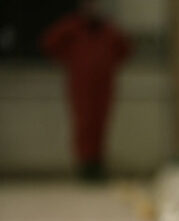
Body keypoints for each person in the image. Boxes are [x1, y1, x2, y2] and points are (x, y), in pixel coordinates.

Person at [42, 1, 131, 181]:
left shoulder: (109, 30)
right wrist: (68, 60)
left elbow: (125, 49)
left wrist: (109, 64)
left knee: (100, 123)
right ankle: (85, 166)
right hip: (81, 84)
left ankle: (97, 164)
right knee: (84, 122)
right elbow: (50, 43)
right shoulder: (72, 27)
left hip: (104, 84)